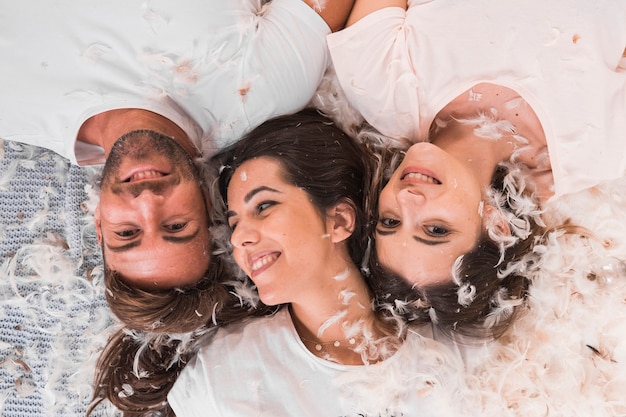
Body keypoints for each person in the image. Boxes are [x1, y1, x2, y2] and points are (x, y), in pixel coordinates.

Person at [0, 0, 355, 293]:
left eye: (127, 233)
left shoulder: (12, 107)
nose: (146, 202)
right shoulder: (264, 88)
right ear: (208, 205)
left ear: (99, 224)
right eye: (175, 226)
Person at [326, 0, 626, 339]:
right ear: (498, 226)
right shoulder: (599, 144)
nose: (406, 199)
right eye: (436, 228)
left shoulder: (380, 85)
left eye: (390, 221)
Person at [167, 109, 474, 417]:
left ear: (339, 220)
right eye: (234, 223)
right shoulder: (222, 375)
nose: (239, 238)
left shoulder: (454, 360)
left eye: (264, 206)